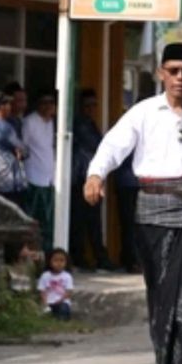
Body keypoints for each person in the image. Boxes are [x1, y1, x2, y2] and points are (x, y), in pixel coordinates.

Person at [84, 42, 182, 364]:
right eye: (173, 71)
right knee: (160, 291)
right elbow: (114, 145)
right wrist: (96, 174)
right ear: (161, 73)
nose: (180, 78)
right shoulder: (144, 112)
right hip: (151, 208)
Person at [70, 88, 112, 270]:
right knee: (80, 222)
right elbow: (98, 146)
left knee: (93, 222)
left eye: (94, 105)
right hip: (81, 178)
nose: (91, 108)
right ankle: (82, 258)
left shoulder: (91, 124)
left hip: (91, 178)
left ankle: (98, 257)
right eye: (88, 105)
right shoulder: (79, 124)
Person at [22, 89, 57, 253]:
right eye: (45, 103)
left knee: (49, 222)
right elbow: (23, 148)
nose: (49, 107)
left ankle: (49, 254)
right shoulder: (30, 122)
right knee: (34, 220)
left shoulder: (53, 123)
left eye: (51, 103)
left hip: (50, 179)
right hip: (34, 177)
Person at [0, 90, 28, 209]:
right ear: (0, 107)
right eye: (7, 104)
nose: (10, 107)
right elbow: (24, 151)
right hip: (9, 184)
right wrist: (20, 152)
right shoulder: (5, 128)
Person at [37, 248, 74, 320]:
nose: (59, 263)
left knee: (64, 309)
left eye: (62, 260)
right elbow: (42, 291)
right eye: (55, 260)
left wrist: (60, 300)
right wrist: (45, 303)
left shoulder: (67, 276)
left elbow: (69, 292)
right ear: (50, 261)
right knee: (44, 312)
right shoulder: (45, 275)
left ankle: (61, 319)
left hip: (62, 302)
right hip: (48, 302)